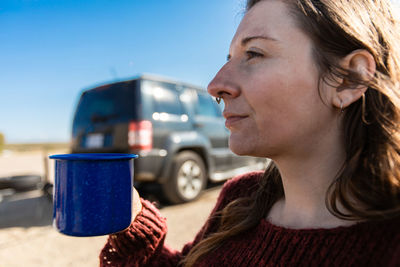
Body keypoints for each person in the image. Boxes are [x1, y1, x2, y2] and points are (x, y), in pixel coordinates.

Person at [100, 0, 400, 266]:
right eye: (229, 58)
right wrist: (133, 221)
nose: (215, 85)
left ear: (349, 79)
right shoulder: (240, 198)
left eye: (254, 53)